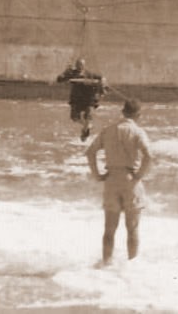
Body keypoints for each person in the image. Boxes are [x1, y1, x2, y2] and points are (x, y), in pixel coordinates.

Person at [86, 98, 152, 266]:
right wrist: (139, 175)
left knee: (109, 230)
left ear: (123, 112)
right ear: (138, 115)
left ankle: (106, 264)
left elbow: (90, 152)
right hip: (130, 181)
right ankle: (132, 267)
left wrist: (97, 175)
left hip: (111, 181)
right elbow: (149, 156)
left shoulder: (108, 130)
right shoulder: (138, 132)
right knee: (132, 229)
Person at [57, 58, 107, 141]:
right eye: (78, 65)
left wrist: (103, 82)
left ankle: (84, 134)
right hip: (77, 99)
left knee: (88, 116)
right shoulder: (71, 73)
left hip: (88, 99)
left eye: (81, 65)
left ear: (84, 66)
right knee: (74, 117)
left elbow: (101, 78)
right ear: (76, 65)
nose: (79, 67)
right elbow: (59, 79)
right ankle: (85, 126)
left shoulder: (89, 74)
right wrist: (64, 73)